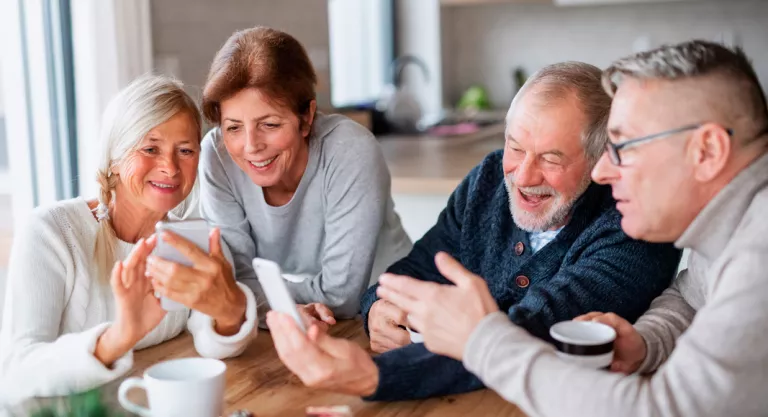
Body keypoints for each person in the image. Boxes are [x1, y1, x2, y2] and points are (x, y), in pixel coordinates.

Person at [376, 40, 768, 416]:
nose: (602, 170)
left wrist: (480, 342)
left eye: (624, 147)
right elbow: (691, 294)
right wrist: (647, 341)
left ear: (708, 151)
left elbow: (656, 409)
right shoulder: (725, 219)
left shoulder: (759, 256)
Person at [267, 62, 682, 400]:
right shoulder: (487, 181)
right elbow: (416, 268)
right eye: (515, 147)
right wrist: (377, 306)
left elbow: (529, 332)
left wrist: (375, 376)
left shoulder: (633, 226)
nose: (522, 175)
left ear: (599, 160)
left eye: (551, 159)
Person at [0, 75, 258, 403]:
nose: (170, 167)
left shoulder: (195, 241)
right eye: (151, 148)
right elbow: (14, 374)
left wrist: (230, 311)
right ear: (115, 158)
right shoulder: (51, 232)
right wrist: (118, 336)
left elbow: (212, 341)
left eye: (185, 150)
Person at [199, 26, 412, 324]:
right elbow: (234, 277)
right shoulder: (216, 155)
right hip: (306, 317)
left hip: (391, 308)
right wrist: (277, 308)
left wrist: (256, 302)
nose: (251, 146)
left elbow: (341, 296)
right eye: (233, 127)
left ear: (306, 117)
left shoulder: (349, 150)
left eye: (270, 124)